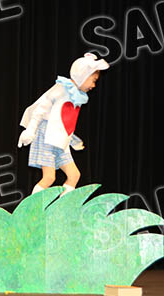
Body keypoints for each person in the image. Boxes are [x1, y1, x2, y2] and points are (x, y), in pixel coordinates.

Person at [18, 52, 109, 196]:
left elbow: (63, 122)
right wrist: (30, 130)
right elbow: (41, 110)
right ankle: (32, 207)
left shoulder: (76, 96)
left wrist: (72, 140)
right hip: (46, 137)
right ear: (83, 75)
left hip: (60, 142)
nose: (93, 85)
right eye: (93, 80)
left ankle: (63, 206)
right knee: (49, 177)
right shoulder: (61, 89)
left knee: (74, 175)